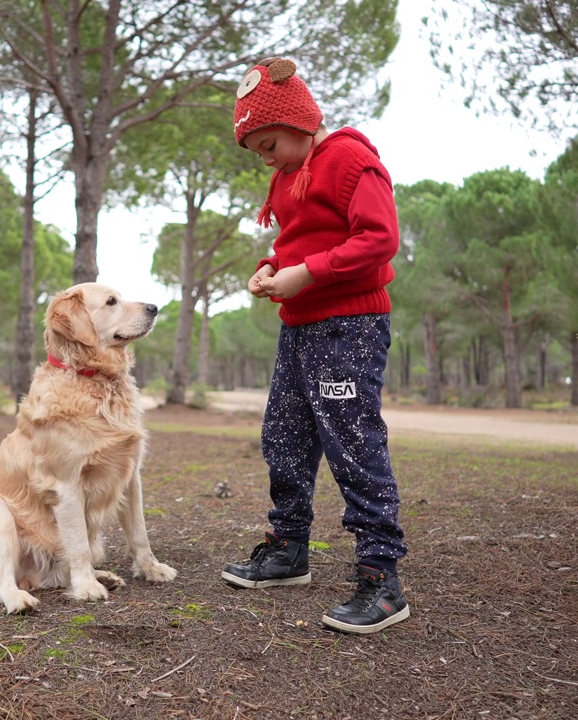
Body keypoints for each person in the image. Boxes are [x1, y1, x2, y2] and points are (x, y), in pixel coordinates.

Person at [219, 57, 409, 634]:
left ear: (300, 121)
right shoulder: (288, 177)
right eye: (257, 150)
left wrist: (311, 273)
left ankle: (381, 578)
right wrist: (271, 267)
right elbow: (293, 242)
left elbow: (381, 239)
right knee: (284, 433)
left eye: (270, 142)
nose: (266, 158)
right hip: (299, 327)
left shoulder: (350, 159)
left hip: (348, 325)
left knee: (352, 440)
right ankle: (288, 548)